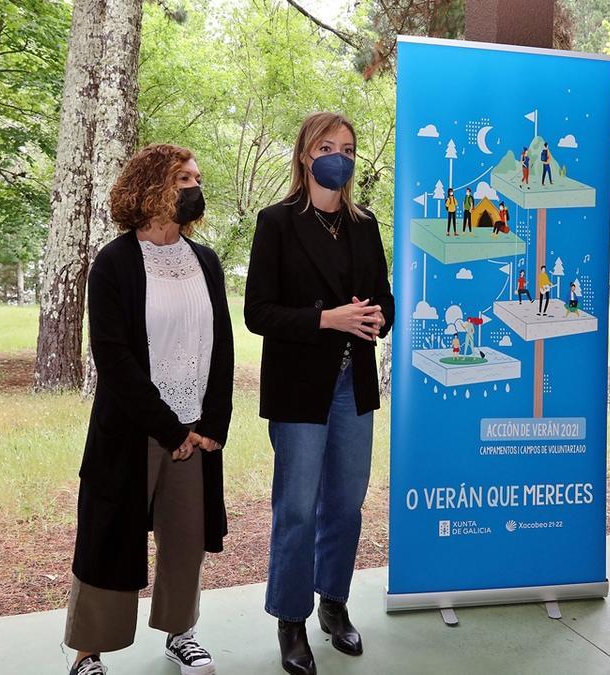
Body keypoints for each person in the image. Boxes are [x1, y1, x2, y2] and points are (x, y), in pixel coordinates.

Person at [64, 144, 234, 675]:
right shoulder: (114, 263)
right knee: (108, 536)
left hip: (194, 434)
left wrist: (211, 424)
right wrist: (167, 426)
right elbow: (112, 357)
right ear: (151, 185)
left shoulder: (205, 260)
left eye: (197, 178)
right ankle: (88, 652)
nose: (194, 186)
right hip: (132, 430)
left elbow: (222, 347)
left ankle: (181, 633)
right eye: (183, 177)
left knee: (185, 539)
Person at [244, 112, 394, 675]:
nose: (340, 155)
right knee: (298, 509)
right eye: (328, 145)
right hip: (300, 388)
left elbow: (385, 300)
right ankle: (291, 619)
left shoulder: (365, 224)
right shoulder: (276, 222)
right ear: (306, 154)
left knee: (346, 504)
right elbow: (257, 312)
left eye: (349, 147)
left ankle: (333, 603)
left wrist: (378, 319)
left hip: (353, 385)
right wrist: (326, 319)